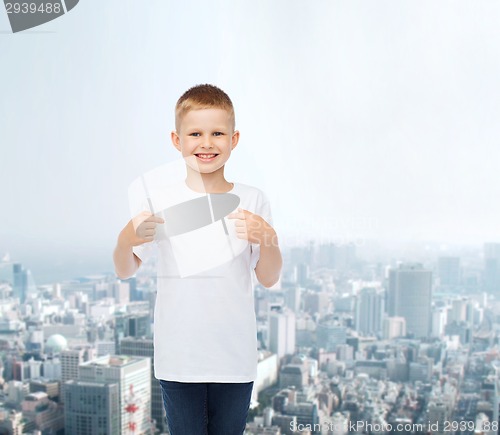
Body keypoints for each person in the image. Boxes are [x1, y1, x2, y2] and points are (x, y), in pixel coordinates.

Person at [113, 84, 282, 435]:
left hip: (234, 357)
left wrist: (269, 238)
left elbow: (267, 277)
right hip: (179, 357)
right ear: (177, 140)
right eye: (195, 134)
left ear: (234, 139)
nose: (206, 143)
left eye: (217, 133)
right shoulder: (158, 200)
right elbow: (125, 269)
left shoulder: (253, 199)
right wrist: (125, 238)